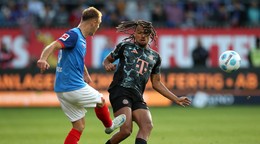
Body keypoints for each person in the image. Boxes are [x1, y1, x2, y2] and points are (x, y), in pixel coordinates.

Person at [37, 7, 126, 144]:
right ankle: (109, 126)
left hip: (61, 89)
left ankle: (108, 126)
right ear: (93, 22)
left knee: (79, 126)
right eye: (98, 25)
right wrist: (43, 58)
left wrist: (85, 73)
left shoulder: (80, 39)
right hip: (71, 85)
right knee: (100, 100)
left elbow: (76, 58)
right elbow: (54, 45)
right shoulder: (74, 35)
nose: (97, 29)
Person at [103, 20, 191, 144]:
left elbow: (157, 83)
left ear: (151, 35)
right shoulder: (125, 47)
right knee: (126, 131)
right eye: (139, 33)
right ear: (134, 34)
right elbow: (107, 60)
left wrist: (175, 98)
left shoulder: (155, 57)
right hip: (120, 90)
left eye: (146, 33)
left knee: (147, 125)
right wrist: (107, 65)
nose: (143, 35)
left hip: (137, 96)